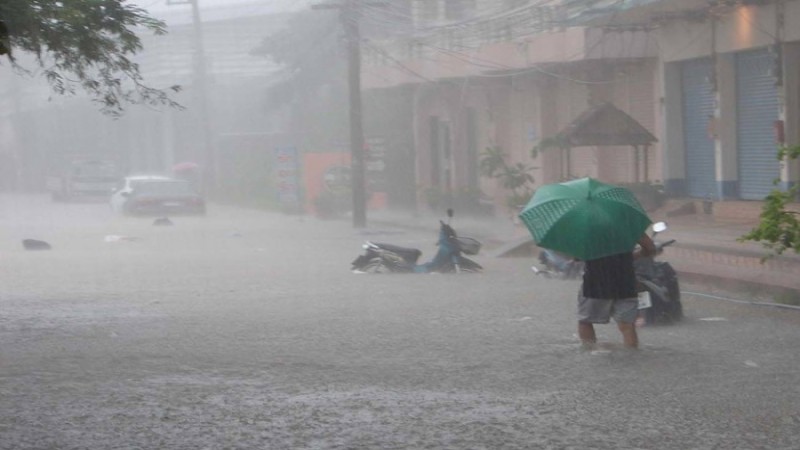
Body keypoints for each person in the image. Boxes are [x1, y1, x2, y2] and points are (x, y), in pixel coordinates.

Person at [577, 233, 656, 350]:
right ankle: (631, 358)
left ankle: (589, 354)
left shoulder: (587, 228)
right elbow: (650, 248)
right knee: (627, 325)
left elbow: (576, 257)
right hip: (625, 280)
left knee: (585, 321)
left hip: (596, 281)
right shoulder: (628, 225)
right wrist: (631, 256)